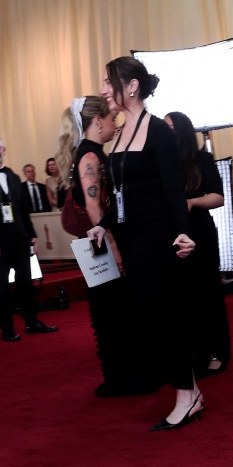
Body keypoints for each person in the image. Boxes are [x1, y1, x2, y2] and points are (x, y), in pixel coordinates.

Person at [86, 57, 201, 430]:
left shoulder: (158, 131)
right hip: (132, 239)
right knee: (152, 320)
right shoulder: (119, 133)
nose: (103, 89)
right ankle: (190, 390)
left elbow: (173, 190)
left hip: (157, 238)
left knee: (165, 319)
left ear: (131, 86)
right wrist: (103, 225)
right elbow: (124, 195)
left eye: (108, 82)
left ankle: (187, 396)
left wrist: (183, 232)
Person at [55, 96, 155, 397]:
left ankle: (120, 377)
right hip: (102, 246)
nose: (116, 123)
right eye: (112, 118)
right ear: (98, 121)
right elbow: (93, 206)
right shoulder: (90, 155)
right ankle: (123, 379)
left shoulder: (90, 153)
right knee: (114, 313)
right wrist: (114, 248)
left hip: (98, 244)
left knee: (110, 312)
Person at [0, 134, 59, 342]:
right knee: (1, 288)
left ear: (4, 149)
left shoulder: (13, 176)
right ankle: (7, 329)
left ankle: (32, 322)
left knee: (26, 284)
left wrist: (32, 235)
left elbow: (23, 211)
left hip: (20, 240)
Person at [165, 110, 232, 378]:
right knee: (184, 296)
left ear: (182, 130)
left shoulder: (201, 159)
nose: (166, 132)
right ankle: (195, 351)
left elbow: (218, 197)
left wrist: (192, 202)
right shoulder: (162, 160)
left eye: (170, 127)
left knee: (208, 292)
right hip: (172, 233)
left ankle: (217, 352)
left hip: (200, 232)